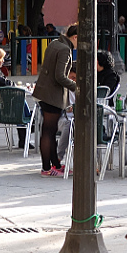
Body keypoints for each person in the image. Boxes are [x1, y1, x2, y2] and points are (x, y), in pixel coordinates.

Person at [31, 23, 78, 176]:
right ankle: (46, 168)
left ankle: (55, 165)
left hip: (44, 92)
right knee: (49, 132)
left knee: (49, 132)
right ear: (75, 37)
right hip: (53, 95)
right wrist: (76, 87)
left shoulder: (55, 43)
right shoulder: (65, 50)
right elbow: (60, 76)